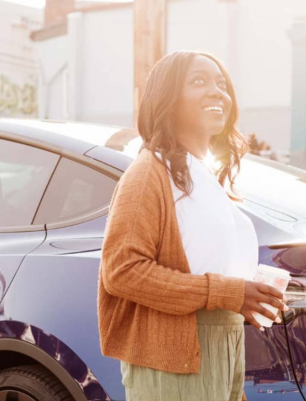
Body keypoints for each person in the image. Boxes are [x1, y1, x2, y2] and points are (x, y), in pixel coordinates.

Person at [97, 50, 288, 401]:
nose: (218, 92)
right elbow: (122, 270)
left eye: (222, 84)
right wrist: (230, 293)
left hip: (223, 346)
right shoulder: (148, 174)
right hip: (174, 359)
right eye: (199, 81)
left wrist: (252, 295)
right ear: (167, 99)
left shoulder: (204, 176)